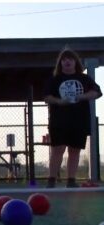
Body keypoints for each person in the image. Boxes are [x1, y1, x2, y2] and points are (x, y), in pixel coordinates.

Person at [44, 48, 102, 188]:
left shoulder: (84, 78)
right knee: (58, 149)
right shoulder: (55, 79)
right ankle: (51, 180)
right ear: (60, 63)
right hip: (59, 121)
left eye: (70, 59)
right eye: (64, 59)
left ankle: (71, 180)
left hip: (79, 120)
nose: (67, 61)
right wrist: (59, 101)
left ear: (75, 62)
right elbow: (47, 97)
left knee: (74, 150)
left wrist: (81, 96)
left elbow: (97, 92)